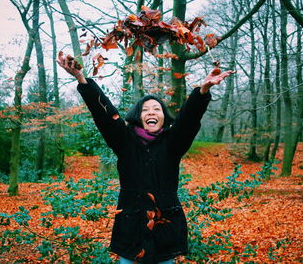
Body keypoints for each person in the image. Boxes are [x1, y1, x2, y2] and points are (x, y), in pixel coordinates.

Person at [57, 52, 234, 264]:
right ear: (139, 117)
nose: (151, 112)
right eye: (146, 109)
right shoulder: (124, 141)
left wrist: (202, 91)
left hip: (165, 230)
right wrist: (81, 79)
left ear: (163, 116)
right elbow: (104, 113)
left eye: (157, 109)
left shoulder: (172, 143)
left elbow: (188, 120)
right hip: (130, 230)